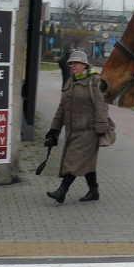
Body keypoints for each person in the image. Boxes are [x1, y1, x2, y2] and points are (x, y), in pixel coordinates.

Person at [44, 49, 111, 203]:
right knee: (86, 162)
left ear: (84, 64)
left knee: (74, 159)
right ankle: (94, 191)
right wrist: (54, 130)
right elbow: (62, 108)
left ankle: (62, 191)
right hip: (72, 130)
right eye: (70, 63)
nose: (72, 66)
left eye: (75, 63)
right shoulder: (71, 81)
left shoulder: (94, 80)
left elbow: (101, 105)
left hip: (89, 130)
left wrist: (101, 126)